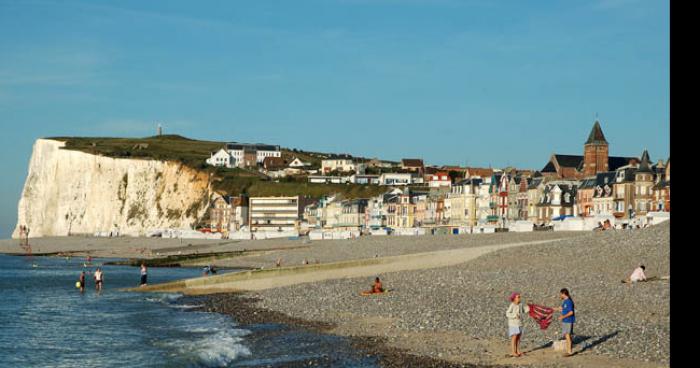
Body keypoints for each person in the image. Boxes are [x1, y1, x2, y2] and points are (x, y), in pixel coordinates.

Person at [506, 292, 530, 357]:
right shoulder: (512, 305)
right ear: (514, 298)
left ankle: (518, 350)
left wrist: (529, 308)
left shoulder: (520, 304)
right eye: (518, 297)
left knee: (518, 337)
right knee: (514, 337)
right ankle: (513, 351)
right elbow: (507, 313)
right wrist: (514, 315)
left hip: (519, 323)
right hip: (513, 324)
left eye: (519, 297)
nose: (519, 298)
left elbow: (523, 310)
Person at [555, 288, 575, 357]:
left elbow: (571, 312)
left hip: (568, 321)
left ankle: (569, 351)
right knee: (566, 336)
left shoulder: (569, 302)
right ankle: (568, 350)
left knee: (568, 336)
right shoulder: (565, 301)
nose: (560, 295)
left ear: (564, 294)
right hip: (565, 321)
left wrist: (562, 317)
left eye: (560, 294)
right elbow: (561, 308)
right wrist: (551, 309)